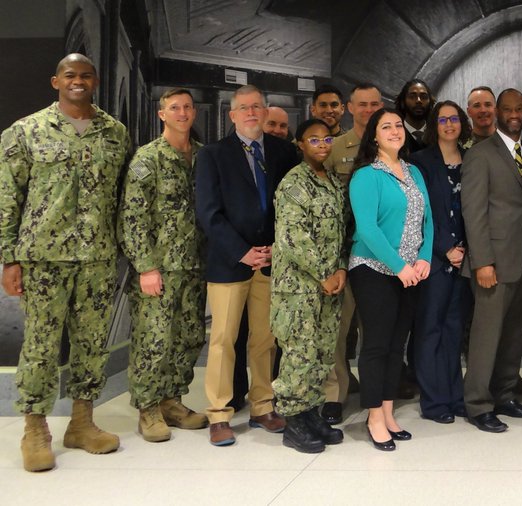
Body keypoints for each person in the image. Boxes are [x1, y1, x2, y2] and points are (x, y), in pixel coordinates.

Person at [2, 53, 129, 472]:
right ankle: (35, 429)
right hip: (44, 257)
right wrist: (9, 258)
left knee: (92, 343)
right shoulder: (25, 132)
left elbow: (119, 199)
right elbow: (8, 198)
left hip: (97, 256)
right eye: (70, 76)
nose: (78, 81)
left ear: (95, 81)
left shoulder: (114, 132)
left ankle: (82, 422)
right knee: (40, 345)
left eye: (86, 75)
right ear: (56, 81)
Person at [195, 84, 300, 446]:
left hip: (272, 262)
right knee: (224, 340)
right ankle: (220, 414)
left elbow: (291, 207)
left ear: (266, 111)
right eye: (245, 108)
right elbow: (209, 214)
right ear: (232, 114)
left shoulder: (286, 152)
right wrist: (242, 251)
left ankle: (262, 406)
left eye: (257, 106)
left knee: (264, 340)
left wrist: (275, 249)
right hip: (230, 263)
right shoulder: (212, 155)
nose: (252, 113)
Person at [121, 88, 209, 443]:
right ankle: (148, 408)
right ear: (162, 115)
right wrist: (146, 267)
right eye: (175, 107)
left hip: (194, 265)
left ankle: (173, 400)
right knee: (152, 340)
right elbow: (132, 217)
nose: (183, 112)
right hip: (160, 268)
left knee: (188, 337)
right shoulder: (148, 159)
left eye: (187, 107)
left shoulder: (204, 157)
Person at [348, 108, 433, 451]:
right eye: (387, 126)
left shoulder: (415, 172)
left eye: (398, 125)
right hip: (374, 269)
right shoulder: (366, 176)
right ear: (374, 136)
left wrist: (424, 257)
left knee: (397, 345)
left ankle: (387, 410)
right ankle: (373, 417)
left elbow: (429, 219)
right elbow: (367, 229)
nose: (395, 130)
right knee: (377, 345)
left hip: (411, 273)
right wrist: (400, 266)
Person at [460, 88, 522, 433]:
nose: (513, 114)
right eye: (506, 109)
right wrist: (482, 262)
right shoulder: (480, 154)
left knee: (513, 333)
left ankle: (505, 394)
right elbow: (473, 211)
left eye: (518, 108)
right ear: (497, 113)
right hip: (492, 261)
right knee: (485, 335)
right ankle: (478, 404)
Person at [270, 118, 350, 454]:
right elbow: (294, 238)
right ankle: (292, 422)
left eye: (327, 139)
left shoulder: (331, 181)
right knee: (298, 354)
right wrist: (324, 273)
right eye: (313, 140)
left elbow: (343, 230)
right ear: (300, 145)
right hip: (298, 288)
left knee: (320, 352)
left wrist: (341, 269)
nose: (321, 145)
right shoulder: (294, 183)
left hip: (328, 287)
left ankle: (310, 412)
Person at [321, 82, 385, 424]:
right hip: (345, 252)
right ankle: (336, 394)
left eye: (375, 104)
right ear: (349, 107)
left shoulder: (391, 145)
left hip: (380, 256)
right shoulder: (336, 148)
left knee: (375, 328)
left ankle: (377, 392)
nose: (369, 109)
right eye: (362, 104)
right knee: (338, 328)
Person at [408, 101, 471, 423]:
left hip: (465, 261)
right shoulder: (419, 162)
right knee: (430, 329)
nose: (449, 124)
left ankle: (455, 397)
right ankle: (433, 402)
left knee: (454, 330)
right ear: (435, 124)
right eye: (443, 119)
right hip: (431, 258)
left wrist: (465, 250)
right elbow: (421, 210)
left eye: (454, 119)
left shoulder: (471, 159)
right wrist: (446, 247)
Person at [398, 79, 433, 153]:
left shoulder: (438, 134)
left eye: (424, 97)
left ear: (430, 103)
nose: (418, 101)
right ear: (402, 102)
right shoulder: (395, 134)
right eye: (412, 97)